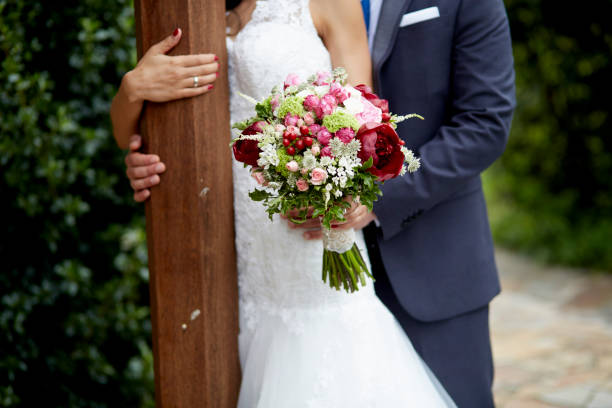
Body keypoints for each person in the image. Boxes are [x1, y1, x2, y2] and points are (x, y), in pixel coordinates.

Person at [112, 0, 456, 406]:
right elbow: (129, 137)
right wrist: (133, 88)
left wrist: (345, 194)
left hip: (308, 230)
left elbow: (363, 120)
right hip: (224, 249)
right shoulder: (193, 12)